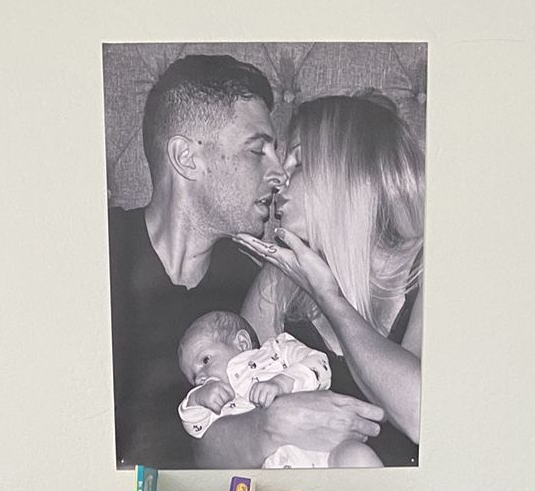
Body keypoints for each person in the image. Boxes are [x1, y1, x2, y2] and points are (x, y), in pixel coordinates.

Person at [107, 52, 382, 468]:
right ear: (186, 158)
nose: (280, 175)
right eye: (258, 152)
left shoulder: (255, 287)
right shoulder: (98, 253)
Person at [219, 91, 425, 468]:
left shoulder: (429, 267)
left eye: (298, 163)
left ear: (349, 176)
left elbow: (421, 415)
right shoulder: (279, 280)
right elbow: (214, 439)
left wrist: (327, 293)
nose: (279, 179)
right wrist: (266, 426)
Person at [176, 308, 379, 468]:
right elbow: (196, 428)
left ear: (242, 342)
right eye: (194, 378)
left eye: (205, 360)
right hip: (274, 468)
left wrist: (283, 382)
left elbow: (319, 364)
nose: (201, 376)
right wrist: (197, 399)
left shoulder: (277, 351)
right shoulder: (217, 402)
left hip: (327, 452)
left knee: (358, 457)